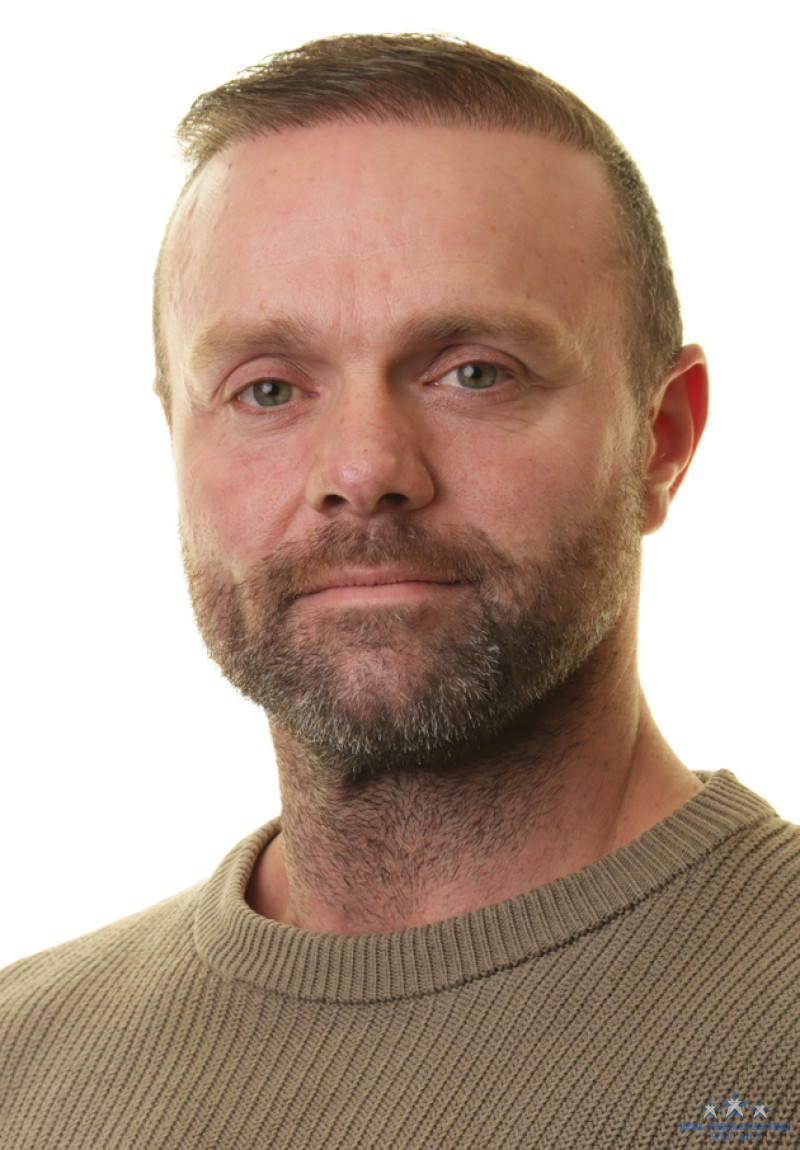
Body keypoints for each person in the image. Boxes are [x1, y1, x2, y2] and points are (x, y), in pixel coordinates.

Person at [1, 32, 797, 1149]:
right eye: (268, 388)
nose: (364, 468)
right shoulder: (22, 1060)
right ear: (174, 439)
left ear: (659, 440)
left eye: (474, 372)